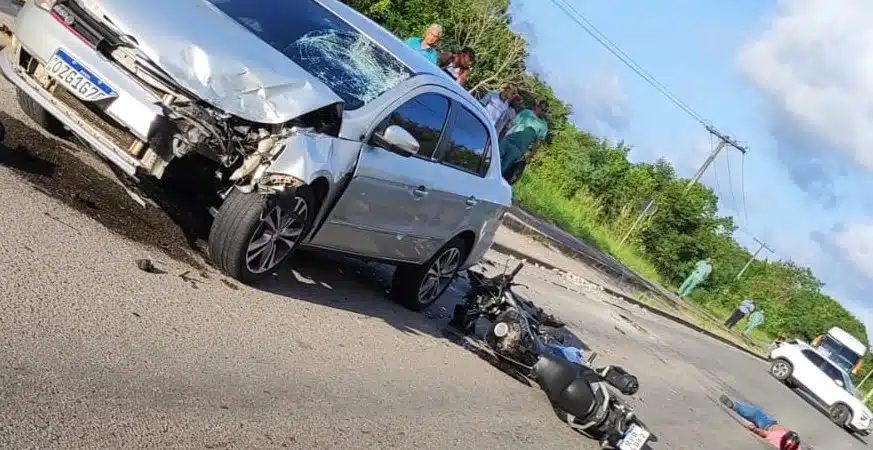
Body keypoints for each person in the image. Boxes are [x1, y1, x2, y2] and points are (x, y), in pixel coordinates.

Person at [719, 395, 801, 449]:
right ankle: (736, 407)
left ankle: (735, 406)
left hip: (768, 425)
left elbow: (764, 433)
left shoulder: (781, 438)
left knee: (755, 413)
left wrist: (753, 429)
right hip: (769, 427)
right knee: (752, 415)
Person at [499, 99, 549, 176]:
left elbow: (537, 142)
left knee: (501, 170)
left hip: (518, 149)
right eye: (542, 109)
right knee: (493, 159)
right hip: (508, 140)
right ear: (537, 107)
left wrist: (530, 154)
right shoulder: (526, 112)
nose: (543, 112)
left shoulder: (543, 125)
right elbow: (511, 123)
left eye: (545, 111)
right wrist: (502, 135)